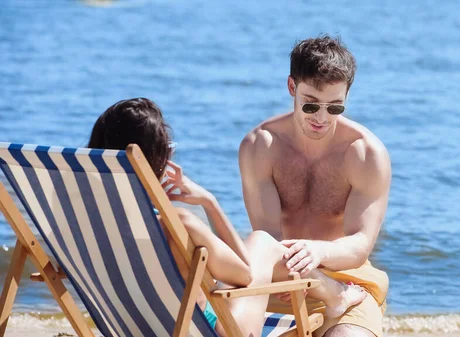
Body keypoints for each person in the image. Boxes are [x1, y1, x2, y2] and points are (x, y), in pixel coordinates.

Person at [87, 97, 367, 337]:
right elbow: (244, 274)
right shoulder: (177, 224)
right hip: (218, 332)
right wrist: (210, 203)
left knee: (254, 256)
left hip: (133, 329)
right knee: (262, 242)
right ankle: (333, 293)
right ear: (158, 161)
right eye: (167, 150)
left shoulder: (87, 223)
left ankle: (329, 289)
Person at [239, 35, 391, 337]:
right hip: (279, 281)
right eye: (311, 106)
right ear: (292, 87)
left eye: (335, 108)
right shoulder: (261, 146)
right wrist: (296, 269)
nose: (322, 118)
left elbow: (360, 245)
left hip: (348, 281)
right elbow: (269, 238)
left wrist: (317, 252)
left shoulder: (365, 154)